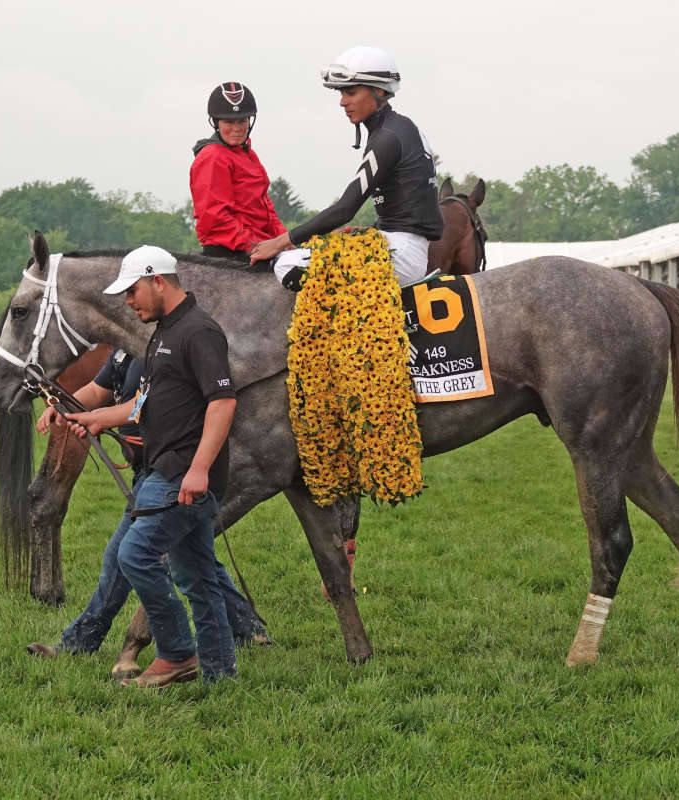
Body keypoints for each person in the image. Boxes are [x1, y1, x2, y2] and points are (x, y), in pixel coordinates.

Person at [66, 245, 239, 687]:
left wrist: (200, 470)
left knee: (135, 554)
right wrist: (90, 417)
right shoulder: (162, 334)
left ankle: (178, 654)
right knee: (196, 574)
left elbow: (222, 403)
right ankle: (220, 675)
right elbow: (141, 405)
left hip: (182, 474)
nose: (128, 301)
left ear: (158, 280)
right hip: (168, 471)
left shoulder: (199, 332)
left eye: (133, 290)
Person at [26, 348, 267, 660]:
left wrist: (94, 419)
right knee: (196, 559)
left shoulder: (159, 353)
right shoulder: (122, 353)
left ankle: (80, 643)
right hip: (151, 472)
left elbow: (140, 406)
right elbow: (97, 390)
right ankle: (247, 630)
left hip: (168, 474)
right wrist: (62, 406)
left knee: (120, 558)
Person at [250, 46, 443, 288]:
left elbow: (344, 209)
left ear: (380, 90)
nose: (343, 102)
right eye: (342, 94)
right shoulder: (397, 128)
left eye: (351, 93)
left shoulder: (387, 136)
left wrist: (279, 241)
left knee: (286, 262)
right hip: (398, 244)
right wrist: (368, 232)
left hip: (401, 255)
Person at [190, 82, 288, 262]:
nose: (237, 128)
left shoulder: (248, 153)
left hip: (261, 243)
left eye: (242, 121)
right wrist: (256, 245)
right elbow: (215, 218)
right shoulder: (212, 157)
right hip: (232, 249)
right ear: (216, 122)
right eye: (228, 122)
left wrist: (284, 240)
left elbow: (265, 207)